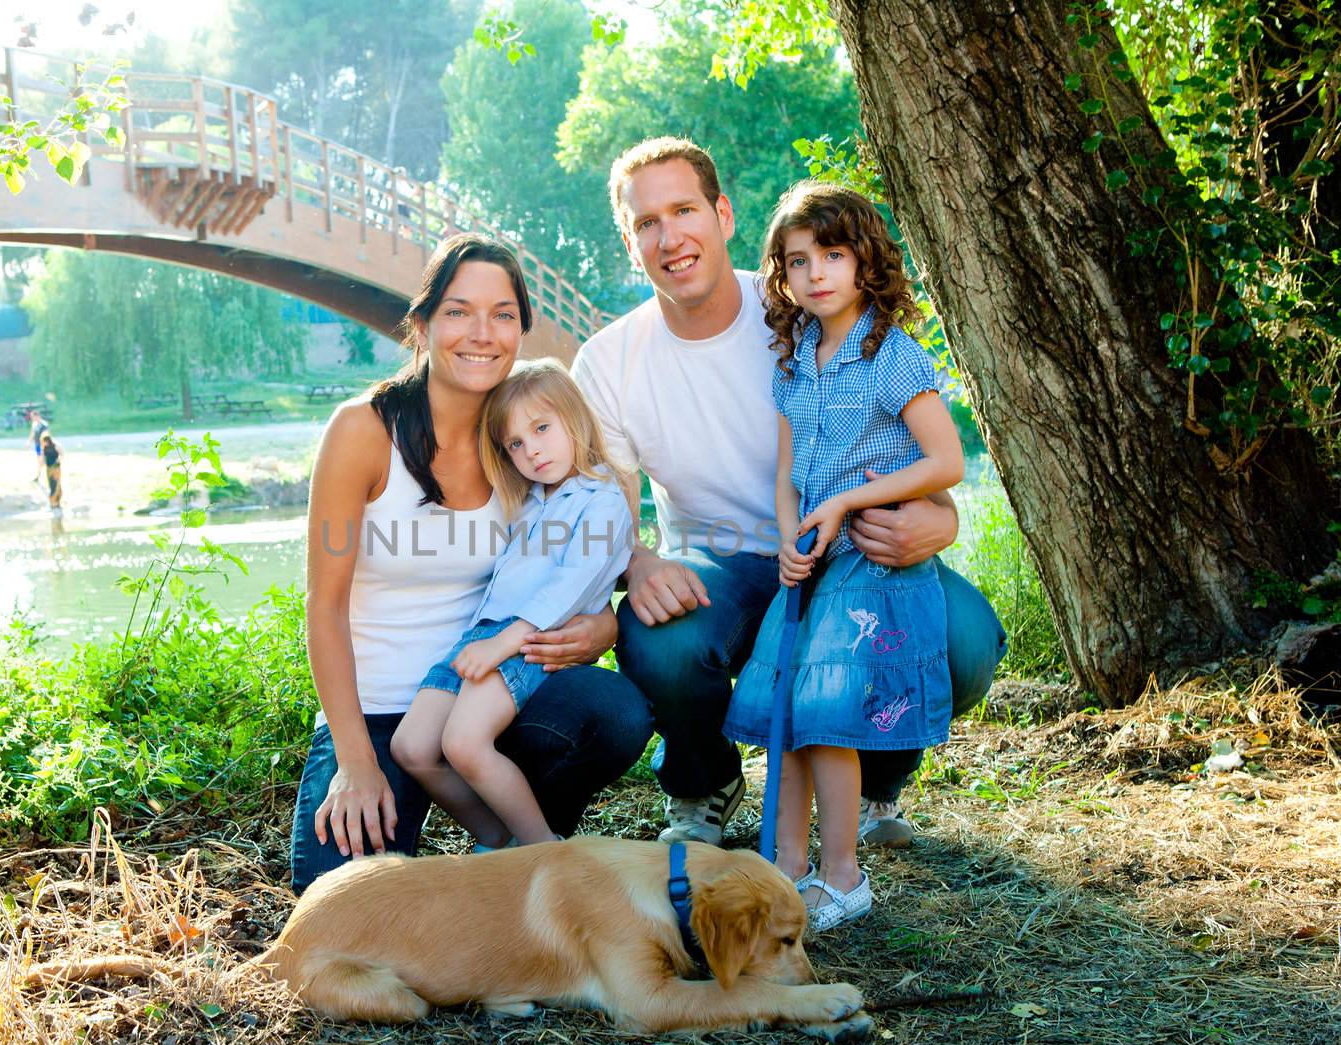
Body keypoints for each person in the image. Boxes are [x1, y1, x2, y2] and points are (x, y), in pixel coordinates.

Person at [570, 137, 1006, 850]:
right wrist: (639, 564)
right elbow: (607, 512)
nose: (669, 236)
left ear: (723, 213)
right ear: (629, 242)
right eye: (647, 222)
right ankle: (703, 783)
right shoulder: (610, 362)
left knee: (966, 644)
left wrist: (942, 518)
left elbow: (915, 447)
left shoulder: (803, 309)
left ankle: (875, 782)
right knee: (663, 642)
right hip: (726, 565)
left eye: (684, 210)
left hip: (849, 549)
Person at [292, 233, 651, 893]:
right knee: (345, 904)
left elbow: (590, 530)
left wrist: (611, 614)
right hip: (379, 711)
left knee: (617, 712)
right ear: (424, 323)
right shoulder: (362, 432)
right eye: (458, 311)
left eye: (503, 314)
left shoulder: (519, 436)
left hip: (493, 689)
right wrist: (354, 761)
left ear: (520, 330)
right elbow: (324, 605)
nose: (481, 333)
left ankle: (532, 855)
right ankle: (496, 853)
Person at [724, 181, 964, 932]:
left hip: (871, 560)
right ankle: (785, 869)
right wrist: (792, 532)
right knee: (786, 710)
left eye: (833, 254)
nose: (816, 273)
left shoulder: (890, 355)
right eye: (798, 261)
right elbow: (788, 471)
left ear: (866, 263)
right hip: (813, 557)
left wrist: (846, 504)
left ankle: (844, 877)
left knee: (829, 714)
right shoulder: (795, 358)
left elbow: (947, 459)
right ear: (782, 276)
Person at [391, 361, 633, 848]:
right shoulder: (527, 499)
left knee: (463, 742)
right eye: (515, 444)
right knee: (412, 747)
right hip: (481, 634)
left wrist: (504, 643)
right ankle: (500, 842)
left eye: (542, 428)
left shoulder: (602, 500)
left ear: (576, 420)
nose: (532, 450)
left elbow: (570, 587)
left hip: (526, 640)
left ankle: (541, 849)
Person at [40, 431, 63, 510]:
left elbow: (61, 454)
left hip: (56, 468)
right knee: (51, 484)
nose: (43, 443)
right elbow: (42, 458)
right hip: (49, 468)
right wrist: (41, 465)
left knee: (56, 484)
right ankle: (53, 502)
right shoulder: (44, 448)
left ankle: (56, 502)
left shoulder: (56, 446)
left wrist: (59, 460)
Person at [27, 409, 49, 484]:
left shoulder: (44, 424)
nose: (32, 418)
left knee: (42, 460)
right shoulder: (34, 424)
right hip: (37, 445)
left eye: (33, 417)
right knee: (39, 460)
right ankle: (38, 476)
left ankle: (39, 476)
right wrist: (29, 442)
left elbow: (46, 435)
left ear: (37, 416)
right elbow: (32, 433)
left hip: (43, 445)